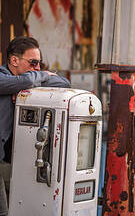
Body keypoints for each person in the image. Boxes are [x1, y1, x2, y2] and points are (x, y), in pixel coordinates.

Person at [0, 36, 70, 215]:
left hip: (13, 160)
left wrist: (26, 87)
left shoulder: (29, 79)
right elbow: (24, 82)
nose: (38, 68)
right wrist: (40, 78)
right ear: (14, 60)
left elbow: (64, 83)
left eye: (40, 64)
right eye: (33, 63)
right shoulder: (2, 76)